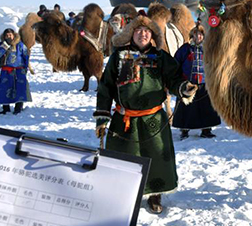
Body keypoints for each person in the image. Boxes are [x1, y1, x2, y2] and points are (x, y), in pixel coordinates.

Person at [93, 16, 197, 214]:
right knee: (124, 159)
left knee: (156, 157)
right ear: (131, 34)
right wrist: (102, 117)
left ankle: (154, 195)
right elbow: (105, 87)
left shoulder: (161, 57)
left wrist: (184, 88)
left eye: (147, 31)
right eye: (138, 30)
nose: (143, 34)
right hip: (124, 120)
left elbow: (174, 78)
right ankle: (125, 196)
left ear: (152, 36)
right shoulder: (119, 56)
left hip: (153, 120)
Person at [172, 26, 221, 140]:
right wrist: (179, 80)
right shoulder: (185, 49)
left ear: (203, 36)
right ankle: (184, 130)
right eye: (196, 34)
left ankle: (206, 130)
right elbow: (176, 63)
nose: (198, 36)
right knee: (186, 108)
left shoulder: (208, 49)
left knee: (206, 107)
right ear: (192, 36)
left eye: (200, 34)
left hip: (204, 83)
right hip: (188, 84)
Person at [0, 28, 32, 114]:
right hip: (6, 71)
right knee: (5, 89)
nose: (8, 37)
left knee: (20, 88)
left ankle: (18, 107)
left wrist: (25, 68)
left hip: (19, 70)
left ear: (14, 35)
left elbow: (26, 56)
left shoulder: (20, 45)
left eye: (10, 35)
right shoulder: (1, 45)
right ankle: (5, 108)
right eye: (6, 35)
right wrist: (5, 46)